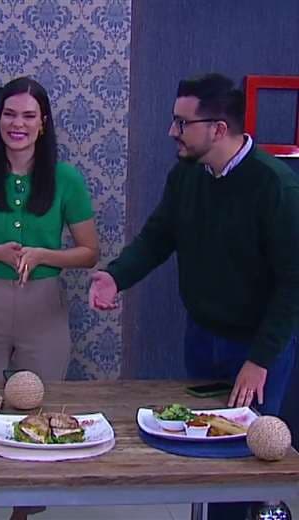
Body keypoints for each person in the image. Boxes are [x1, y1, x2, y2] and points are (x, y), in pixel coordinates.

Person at [89, 73, 299, 520]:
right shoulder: (187, 174)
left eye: (182, 123)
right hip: (202, 336)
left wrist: (259, 359)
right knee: (200, 447)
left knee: (241, 456)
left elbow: (293, 283)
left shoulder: (276, 187)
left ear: (218, 129)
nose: (172, 131)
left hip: (258, 346)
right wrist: (116, 277)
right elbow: (159, 235)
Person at [0, 77, 99, 520]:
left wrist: (44, 254)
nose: (19, 124)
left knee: (37, 411)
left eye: (29, 116)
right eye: (10, 114)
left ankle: (21, 511)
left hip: (45, 308)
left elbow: (90, 252)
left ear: (43, 123)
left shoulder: (66, 179)